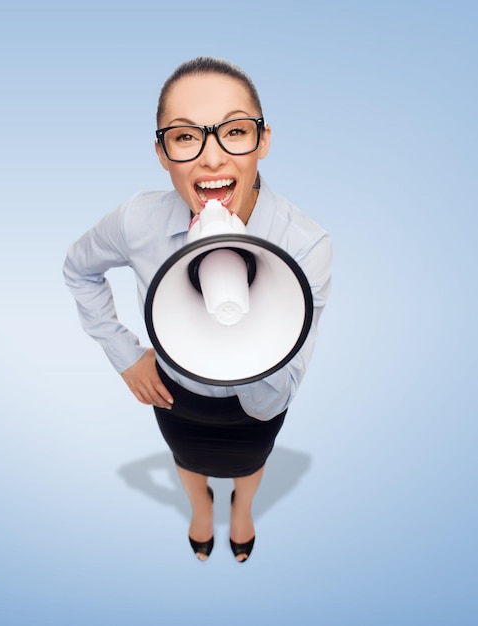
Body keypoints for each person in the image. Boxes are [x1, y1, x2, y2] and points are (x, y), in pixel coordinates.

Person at [63, 56, 332, 562]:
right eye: (186, 137)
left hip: (258, 407)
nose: (212, 159)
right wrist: (125, 354)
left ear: (264, 140)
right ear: (162, 153)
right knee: (186, 457)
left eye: (234, 131)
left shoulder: (307, 245)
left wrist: (253, 317)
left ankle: (243, 509)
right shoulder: (136, 222)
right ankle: (202, 509)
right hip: (175, 393)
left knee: (252, 462)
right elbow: (79, 270)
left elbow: (281, 391)